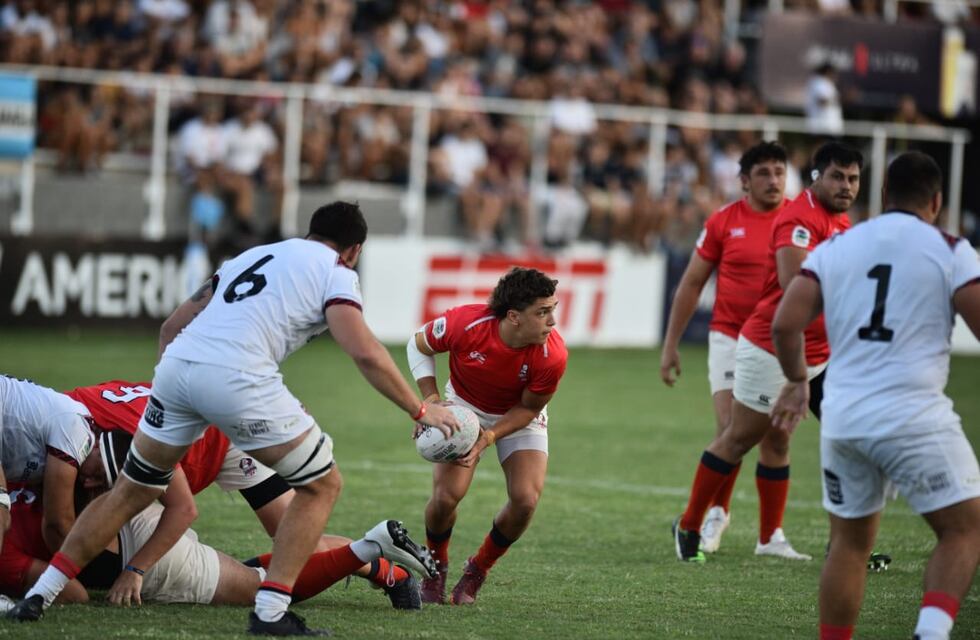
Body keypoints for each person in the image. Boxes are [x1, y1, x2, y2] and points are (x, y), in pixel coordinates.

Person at [9, 201, 459, 636]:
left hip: (176, 371)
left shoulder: (253, 256)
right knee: (323, 485)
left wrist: (179, 401)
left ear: (310, 231)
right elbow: (363, 349)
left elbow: (170, 328)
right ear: (354, 250)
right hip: (238, 378)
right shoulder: (336, 271)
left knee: (132, 490)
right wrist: (421, 410)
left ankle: (40, 595)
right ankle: (270, 611)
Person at [769, 151, 980, 640]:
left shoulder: (839, 245)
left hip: (843, 416)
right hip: (912, 412)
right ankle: (930, 632)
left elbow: (785, 323)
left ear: (883, 195)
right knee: (964, 529)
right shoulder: (951, 248)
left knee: (848, 545)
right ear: (937, 201)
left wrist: (799, 380)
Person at [63, 378, 420, 607]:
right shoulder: (72, 415)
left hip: (229, 442)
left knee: (295, 539)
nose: (88, 479)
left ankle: (382, 566)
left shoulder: (115, 431)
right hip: (204, 434)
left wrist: (136, 570)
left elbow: (182, 509)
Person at [672, 142, 863, 563]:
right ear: (817, 177)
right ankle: (693, 522)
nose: (846, 186)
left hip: (818, 352)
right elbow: (796, 284)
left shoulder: (841, 222)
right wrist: (671, 345)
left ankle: (803, 539)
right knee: (737, 436)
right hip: (767, 345)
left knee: (846, 436)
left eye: (853, 178)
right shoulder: (795, 220)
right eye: (837, 176)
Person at [0, 429, 427, 611]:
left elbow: (182, 507)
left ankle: (373, 551)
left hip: (211, 449)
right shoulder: (59, 423)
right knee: (283, 550)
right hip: (181, 457)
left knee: (271, 582)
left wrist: (135, 569)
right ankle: (379, 564)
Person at [406, 267, 568, 605]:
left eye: (553, 309)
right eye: (543, 312)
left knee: (526, 500)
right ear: (514, 317)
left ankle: (478, 568)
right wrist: (432, 400)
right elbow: (418, 344)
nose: (552, 320)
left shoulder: (553, 355)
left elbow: (527, 409)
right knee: (446, 498)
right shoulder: (466, 323)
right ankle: (435, 567)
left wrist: (489, 436)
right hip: (463, 406)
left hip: (518, 415)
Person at [660, 141, 789, 554]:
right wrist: (671, 345)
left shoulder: (798, 222)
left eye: (779, 172)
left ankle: (770, 537)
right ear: (745, 181)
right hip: (731, 336)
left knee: (777, 438)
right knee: (732, 427)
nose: (773, 180)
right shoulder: (723, 222)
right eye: (764, 173)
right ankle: (716, 513)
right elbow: (692, 283)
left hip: (781, 339)